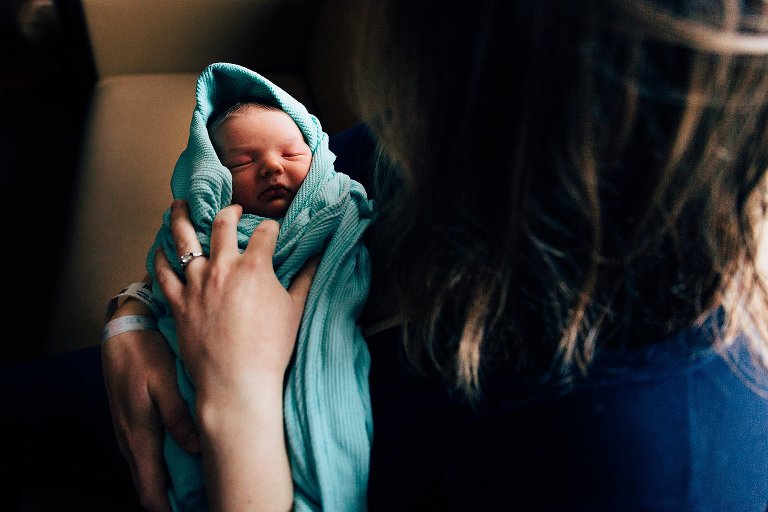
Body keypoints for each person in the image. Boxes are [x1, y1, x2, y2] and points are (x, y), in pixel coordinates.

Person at [100, 0, 768, 510]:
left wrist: (236, 398)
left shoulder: (637, 466)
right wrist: (132, 316)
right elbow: (245, 211)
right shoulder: (449, 146)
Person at [106, 62, 374, 511]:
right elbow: (174, 257)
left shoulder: (336, 206)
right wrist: (131, 315)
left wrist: (233, 388)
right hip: (170, 374)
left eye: (290, 155)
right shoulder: (375, 152)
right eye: (242, 162)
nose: (272, 165)